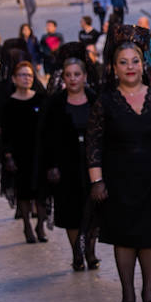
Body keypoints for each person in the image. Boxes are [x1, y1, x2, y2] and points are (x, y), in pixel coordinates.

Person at [88, 27, 151, 302]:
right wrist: (96, 180)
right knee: (123, 238)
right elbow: (94, 143)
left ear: (144, 63)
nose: (130, 67)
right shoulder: (105, 102)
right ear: (113, 67)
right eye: (123, 62)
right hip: (118, 179)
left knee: (149, 238)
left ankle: (149, 291)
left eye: (135, 61)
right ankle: (128, 293)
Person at [39, 55, 99, 271]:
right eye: (68, 75)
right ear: (63, 77)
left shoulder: (95, 99)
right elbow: (46, 137)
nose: (73, 79)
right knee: (71, 211)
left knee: (93, 211)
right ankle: (77, 251)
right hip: (65, 166)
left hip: (92, 165)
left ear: (84, 76)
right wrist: (51, 166)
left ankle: (90, 250)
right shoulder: (55, 103)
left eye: (77, 74)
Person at [0, 61, 49, 244]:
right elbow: (6, 134)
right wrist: (8, 156)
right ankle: (27, 224)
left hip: (40, 154)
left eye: (29, 75)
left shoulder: (41, 99)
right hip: (19, 155)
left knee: (42, 194)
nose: (26, 79)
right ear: (14, 79)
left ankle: (40, 225)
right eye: (22, 75)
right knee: (24, 193)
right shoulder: (9, 104)